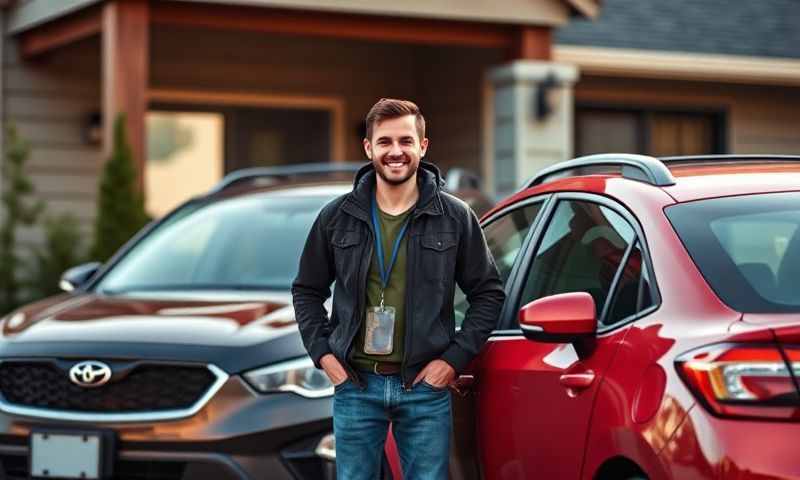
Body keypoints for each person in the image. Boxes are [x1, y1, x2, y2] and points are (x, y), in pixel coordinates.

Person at [292, 98, 505, 480]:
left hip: (425, 386)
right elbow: (307, 290)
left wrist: (452, 361)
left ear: (423, 147)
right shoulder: (336, 217)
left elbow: (488, 293)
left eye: (406, 141)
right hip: (356, 384)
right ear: (369, 148)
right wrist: (324, 356)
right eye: (385, 141)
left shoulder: (455, 217)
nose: (396, 152)